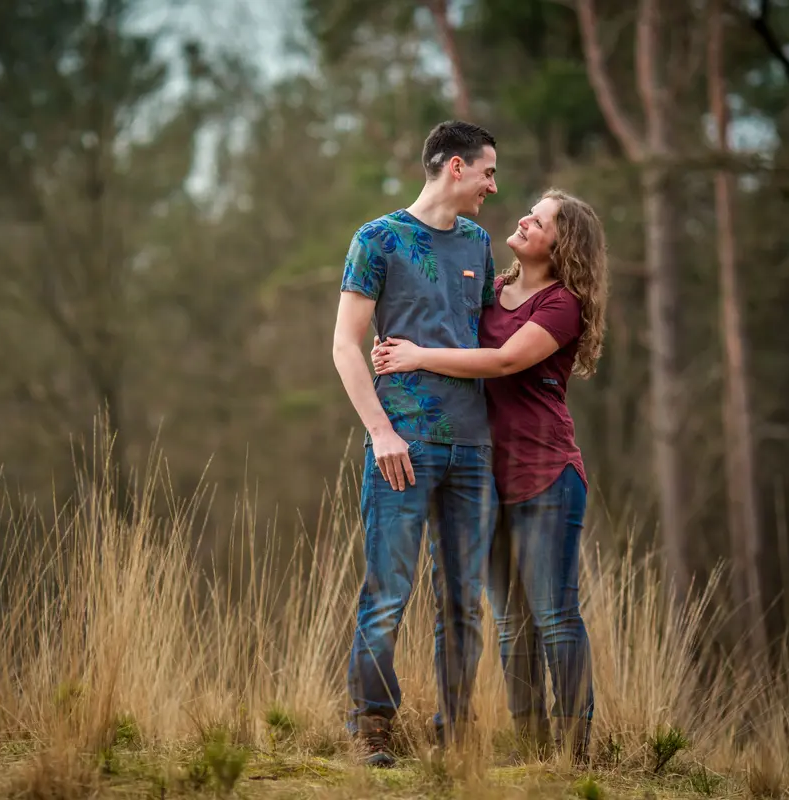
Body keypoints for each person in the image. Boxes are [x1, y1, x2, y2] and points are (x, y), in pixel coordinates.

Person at [371, 188, 609, 765]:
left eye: (541, 219)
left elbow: (503, 361)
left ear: (562, 243)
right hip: (484, 477)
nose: (524, 219)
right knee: (509, 622)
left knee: (554, 615)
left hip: (547, 473)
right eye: (530, 212)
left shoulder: (562, 304)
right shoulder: (493, 293)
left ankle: (575, 753)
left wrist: (417, 355)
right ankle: (531, 749)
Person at [332, 119, 500, 767]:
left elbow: (491, 335)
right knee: (388, 592)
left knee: (462, 601)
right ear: (454, 167)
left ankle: (455, 732)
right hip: (402, 446)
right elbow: (346, 344)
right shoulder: (378, 239)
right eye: (486, 170)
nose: (493, 183)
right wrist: (380, 432)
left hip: (473, 451)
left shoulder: (480, 244)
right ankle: (372, 725)